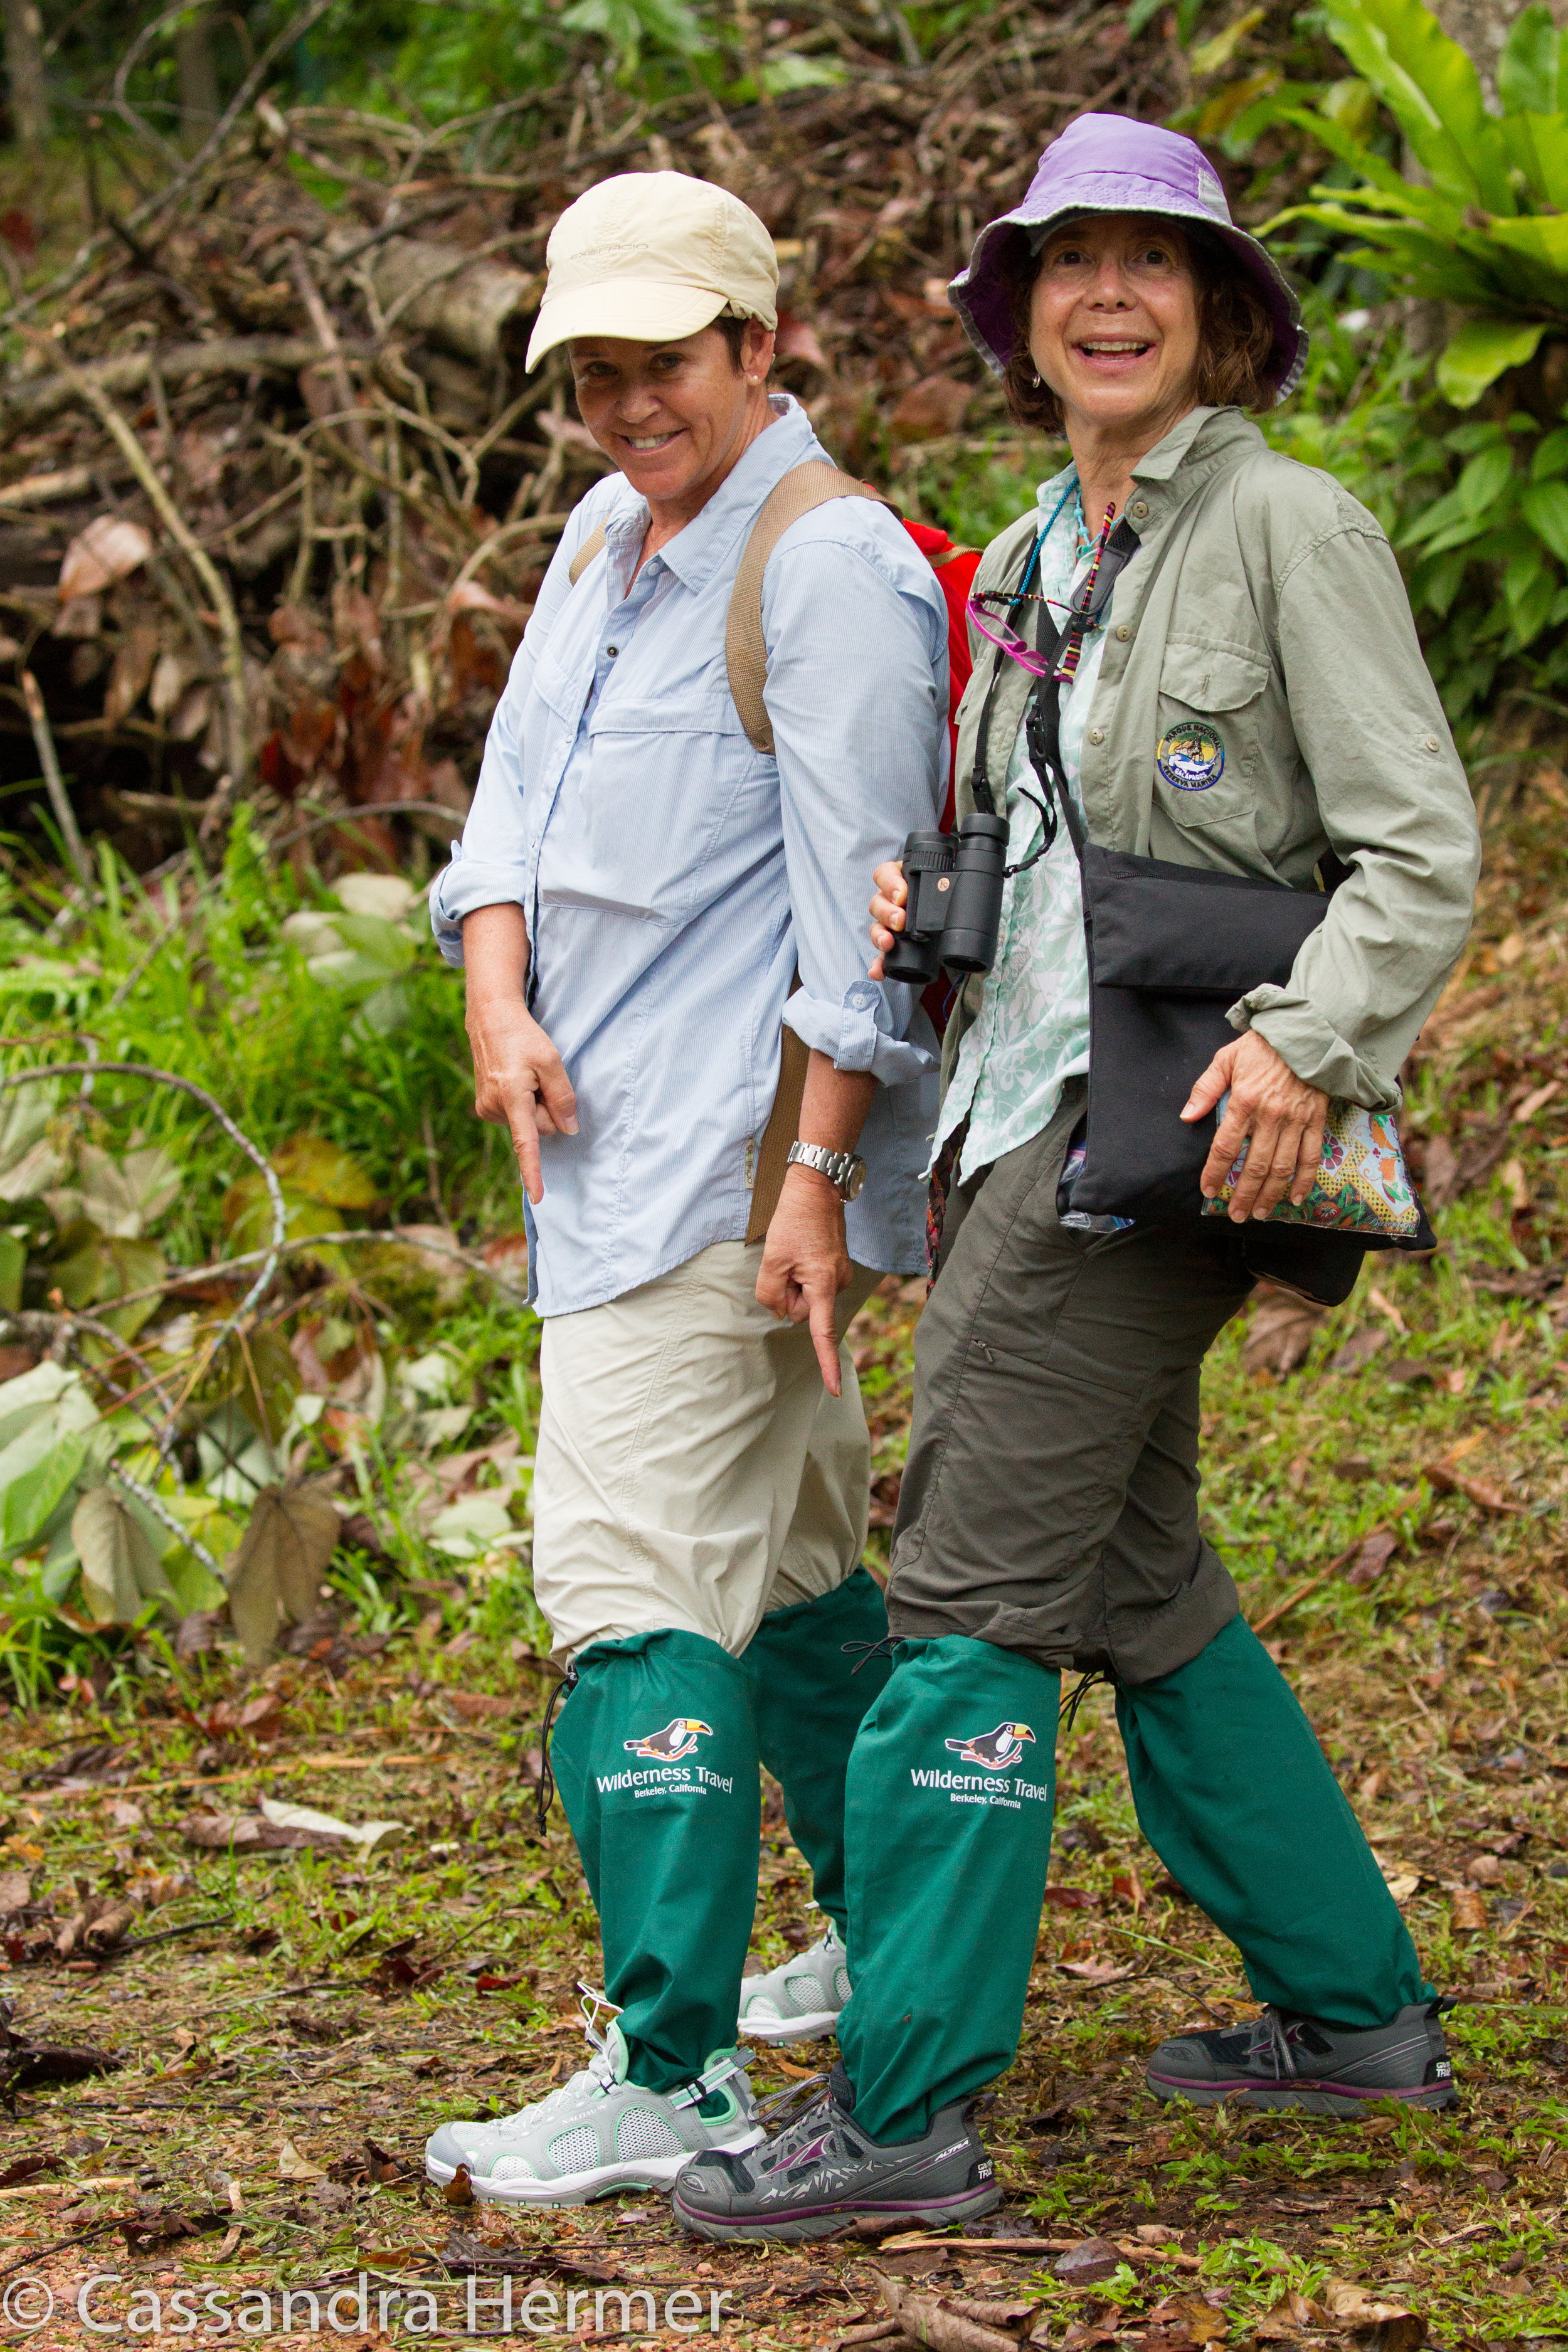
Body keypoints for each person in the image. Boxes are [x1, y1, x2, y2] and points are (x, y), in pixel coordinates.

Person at [672, 113, 1481, 2243]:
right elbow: (1021, 872)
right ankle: (1351, 2009)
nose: (1105, 296)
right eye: (1065, 264)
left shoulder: (1286, 525)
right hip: (1019, 1115)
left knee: (962, 1609)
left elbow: (1418, 853)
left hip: (1172, 1136)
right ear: (1020, 317)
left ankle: (905, 2108)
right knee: (1135, 1583)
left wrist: (1306, 1049)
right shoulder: (1032, 549)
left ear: (1221, 315)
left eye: (1153, 262)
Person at [420, 169, 949, 2206]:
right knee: (802, 1578)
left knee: (626, 1592)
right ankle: (887, 1943)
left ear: (757, 344)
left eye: (665, 360)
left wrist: (812, 1184)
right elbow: (511, 810)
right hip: (598, 1157)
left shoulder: (824, 574)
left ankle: (673, 2069)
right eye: (596, 370)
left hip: (724, 1191)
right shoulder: (601, 536)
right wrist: (494, 991)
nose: (630, 401)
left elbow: (863, 933)